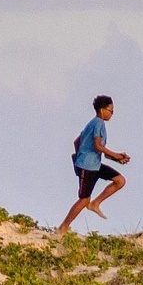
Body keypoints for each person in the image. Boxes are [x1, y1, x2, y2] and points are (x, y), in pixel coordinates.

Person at [57, 94, 130, 235]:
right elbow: (97, 146)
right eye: (111, 110)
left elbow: (77, 142)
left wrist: (117, 158)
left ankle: (95, 204)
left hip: (94, 164)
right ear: (102, 110)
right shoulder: (98, 123)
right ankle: (62, 228)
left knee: (120, 181)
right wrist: (82, 160)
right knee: (84, 200)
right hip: (87, 166)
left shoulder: (92, 124)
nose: (112, 114)